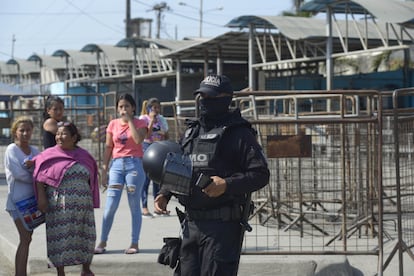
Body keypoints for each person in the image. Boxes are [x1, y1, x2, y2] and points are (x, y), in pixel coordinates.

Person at [154, 74, 270, 276]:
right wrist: (164, 194)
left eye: (211, 97)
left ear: (226, 99)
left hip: (222, 228)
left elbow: (260, 174)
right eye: (202, 97)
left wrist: (226, 184)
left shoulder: (238, 133)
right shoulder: (192, 132)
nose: (205, 102)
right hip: (191, 225)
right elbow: (178, 167)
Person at [33, 122, 100, 276]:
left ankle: (86, 268)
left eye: (63, 134)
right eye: (57, 134)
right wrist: (41, 198)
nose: (59, 137)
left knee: (86, 235)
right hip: (59, 206)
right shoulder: (48, 155)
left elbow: (92, 179)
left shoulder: (85, 156)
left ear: (74, 137)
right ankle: (60, 272)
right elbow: (39, 177)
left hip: (83, 207)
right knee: (60, 237)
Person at [94, 93, 147, 255]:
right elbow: (109, 147)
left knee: (134, 204)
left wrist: (130, 121)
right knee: (110, 205)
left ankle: (134, 242)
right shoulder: (112, 124)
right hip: (116, 165)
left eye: (127, 106)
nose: (123, 109)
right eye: (121, 106)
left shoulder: (141, 123)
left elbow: (138, 140)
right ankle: (102, 241)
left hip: (134, 166)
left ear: (133, 108)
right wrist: (104, 169)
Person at [5, 116, 40, 276]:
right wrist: (34, 176)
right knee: (25, 238)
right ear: (15, 132)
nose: (25, 133)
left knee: (27, 239)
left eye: (28, 130)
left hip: (32, 202)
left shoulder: (35, 151)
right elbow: (18, 174)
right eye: (22, 130)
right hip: (17, 202)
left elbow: (42, 171)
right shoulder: (11, 149)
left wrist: (35, 174)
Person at [139, 97, 169, 217]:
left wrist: (163, 134)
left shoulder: (161, 119)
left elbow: (166, 134)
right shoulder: (143, 119)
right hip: (147, 149)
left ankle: (158, 206)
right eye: (154, 107)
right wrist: (151, 121)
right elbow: (147, 134)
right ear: (149, 108)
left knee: (158, 180)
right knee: (146, 180)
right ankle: (145, 207)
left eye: (158, 107)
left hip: (159, 149)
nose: (156, 110)